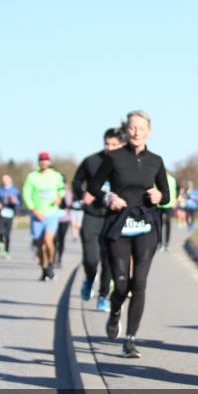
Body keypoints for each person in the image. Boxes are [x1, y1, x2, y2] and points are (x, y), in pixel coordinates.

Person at [88, 112, 169, 359]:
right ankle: (115, 312)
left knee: (140, 283)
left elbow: (166, 194)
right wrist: (108, 197)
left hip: (146, 225)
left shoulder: (156, 160)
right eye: (132, 128)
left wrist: (159, 197)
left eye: (141, 128)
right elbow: (93, 186)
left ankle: (131, 339)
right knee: (122, 284)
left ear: (149, 131)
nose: (136, 132)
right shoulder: (113, 158)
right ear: (126, 130)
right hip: (119, 225)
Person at [73, 128, 122, 311]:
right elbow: (76, 182)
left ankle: (103, 296)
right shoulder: (91, 161)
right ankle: (89, 279)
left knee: (109, 259)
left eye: (114, 144)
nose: (110, 147)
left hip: (112, 217)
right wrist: (82, 194)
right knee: (91, 259)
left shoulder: (124, 163)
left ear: (121, 144)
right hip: (92, 216)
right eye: (107, 144)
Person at [23, 151, 65, 281]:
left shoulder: (56, 176)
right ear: (39, 162)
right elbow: (26, 194)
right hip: (38, 214)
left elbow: (61, 189)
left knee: (48, 241)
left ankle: (51, 264)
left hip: (52, 212)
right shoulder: (32, 177)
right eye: (42, 160)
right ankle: (44, 268)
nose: (44, 162)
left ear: (49, 161)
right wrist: (33, 209)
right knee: (40, 245)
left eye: (46, 160)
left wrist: (59, 197)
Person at [0, 174, 20, 258]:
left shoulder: (15, 191)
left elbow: (19, 202)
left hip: (10, 213)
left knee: (8, 233)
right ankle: (1, 243)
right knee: (1, 231)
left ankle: (7, 251)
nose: (4, 181)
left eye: (6, 179)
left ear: (10, 180)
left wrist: (15, 201)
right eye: (3, 180)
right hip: (1, 213)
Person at [157, 169, 178, 252]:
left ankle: (167, 243)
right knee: (159, 224)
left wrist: (175, 200)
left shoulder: (172, 179)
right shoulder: (157, 178)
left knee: (168, 222)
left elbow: (177, 189)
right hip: (158, 204)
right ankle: (160, 243)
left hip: (169, 204)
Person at [54, 188, 73, 268]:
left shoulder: (68, 192)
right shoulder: (53, 191)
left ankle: (59, 258)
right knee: (54, 239)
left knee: (61, 240)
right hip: (54, 218)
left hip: (64, 219)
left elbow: (69, 204)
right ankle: (52, 257)